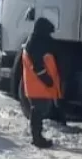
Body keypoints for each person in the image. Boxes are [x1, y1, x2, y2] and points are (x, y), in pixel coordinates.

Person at [21, 17, 65, 148]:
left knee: (38, 111)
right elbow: (37, 66)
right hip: (38, 85)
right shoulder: (35, 44)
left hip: (36, 85)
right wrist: (47, 79)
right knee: (38, 111)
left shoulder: (36, 41)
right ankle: (37, 139)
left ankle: (37, 137)